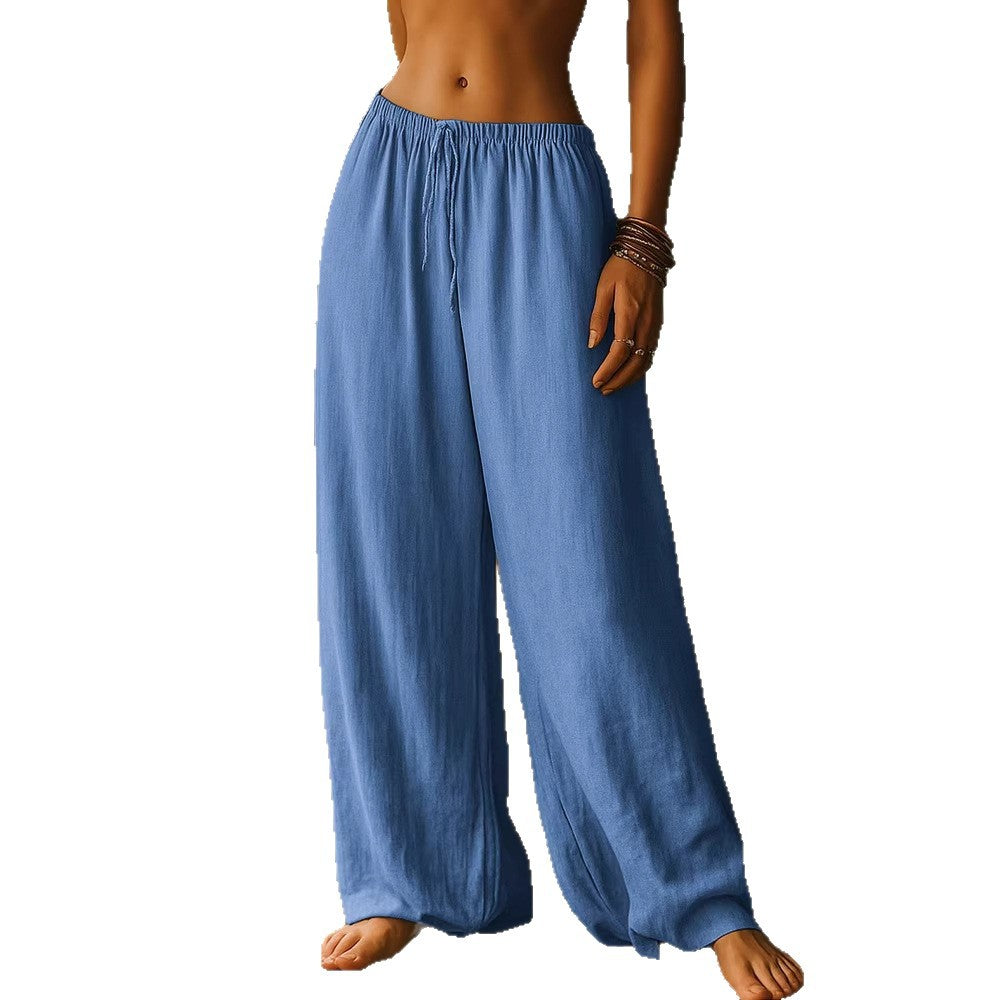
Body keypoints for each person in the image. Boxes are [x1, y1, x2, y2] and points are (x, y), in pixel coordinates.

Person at [314, 3, 804, 997]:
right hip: (388, 177)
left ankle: (695, 889)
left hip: (541, 190)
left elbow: (653, 34)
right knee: (390, 545)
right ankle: (411, 873)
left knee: (590, 567)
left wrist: (642, 238)